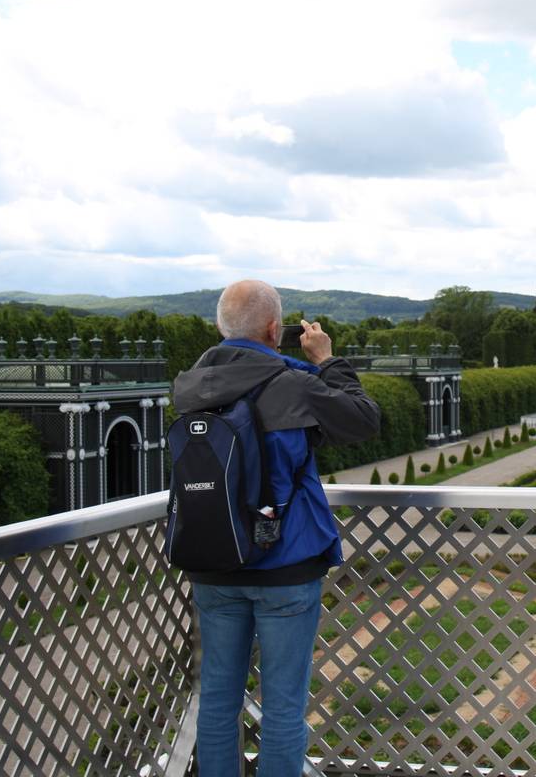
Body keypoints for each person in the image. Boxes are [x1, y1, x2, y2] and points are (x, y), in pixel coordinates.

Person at [173, 279, 380, 775]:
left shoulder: (190, 387)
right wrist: (327, 360)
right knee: (284, 705)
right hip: (284, 562)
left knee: (219, 697)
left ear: (220, 329)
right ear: (274, 329)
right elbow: (363, 420)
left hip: (212, 560)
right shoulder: (293, 382)